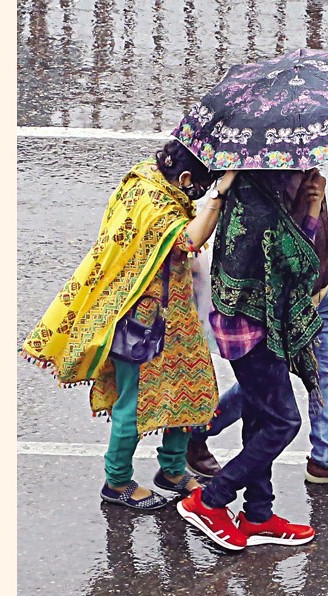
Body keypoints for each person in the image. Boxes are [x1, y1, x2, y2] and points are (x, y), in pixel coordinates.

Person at [20, 140, 236, 511]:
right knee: (134, 405)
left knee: (190, 390)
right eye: (197, 186)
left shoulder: (145, 179)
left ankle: (171, 468)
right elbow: (190, 239)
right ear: (184, 178)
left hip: (177, 316)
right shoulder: (154, 205)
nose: (197, 194)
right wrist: (217, 195)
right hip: (144, 323)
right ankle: (116, 481)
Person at [187, 170, 328, 487]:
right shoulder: (260, 185)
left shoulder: (299, 163)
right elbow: (286, 260)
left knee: (316, 373)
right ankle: (208, 462)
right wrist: (313, 207)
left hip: (318, 287)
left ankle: (325, 457)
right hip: (284, 301)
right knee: (270, 396)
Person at [176, 169, 322, 550]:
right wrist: (312, 206)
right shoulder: (258, 199)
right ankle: (210, 501)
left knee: (259, 418)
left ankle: (258, 515)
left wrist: (307, 200)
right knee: (283, 422)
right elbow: (295, 262)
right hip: (252, 329)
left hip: (256, 325)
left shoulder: (253, 188)